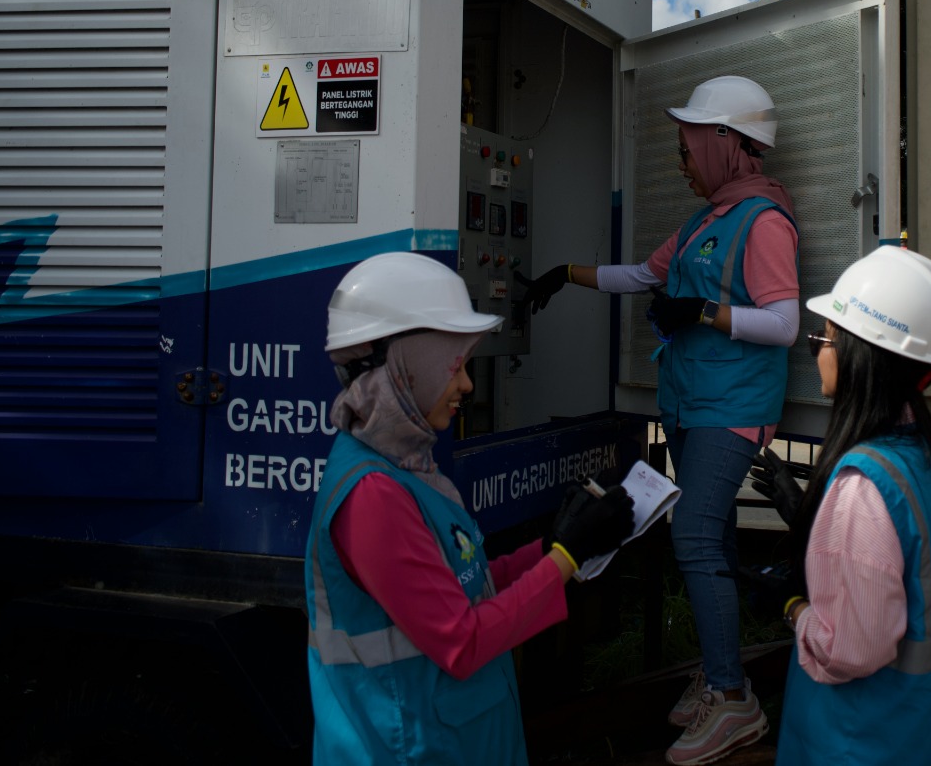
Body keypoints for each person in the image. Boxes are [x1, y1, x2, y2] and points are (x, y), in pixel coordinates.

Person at [516, 75, 799, 765]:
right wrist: (567, 275)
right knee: (717, 538)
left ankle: (734, 701)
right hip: (690, 402)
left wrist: (705, 312)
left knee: (695, 536)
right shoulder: (707, 219)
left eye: (688, 144)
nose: (681, 159)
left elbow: (786, 322)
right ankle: (719, 665)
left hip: (731, 407)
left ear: (727, 143)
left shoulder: (762, 221)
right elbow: (643, 275)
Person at [305, 252, 636, 765]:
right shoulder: (373, 494)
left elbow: (465, 580)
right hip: (411, 750)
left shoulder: (404, 467)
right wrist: (564, 560)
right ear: (406, 369)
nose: (467, 386)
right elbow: (459, 641)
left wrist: (553, 546)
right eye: (454, 367)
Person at [750, 246, 931, 764]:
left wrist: (791, 606)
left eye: (825, 338)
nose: (818, 351)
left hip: (864, 742)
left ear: (862, 354)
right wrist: (812, 520)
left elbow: (851, 650)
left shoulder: (864, 486)